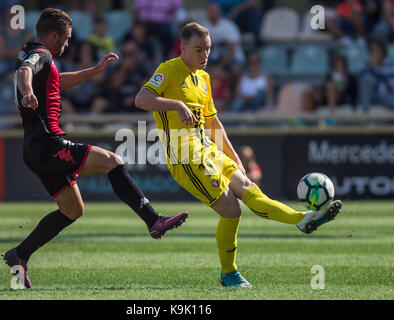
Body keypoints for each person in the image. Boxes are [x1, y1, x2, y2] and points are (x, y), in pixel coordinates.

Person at [135, 22, 343, 288]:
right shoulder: (168, 69)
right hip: (184, 155)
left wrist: (235, 159)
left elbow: (214, 124)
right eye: (198, 49)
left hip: (208, 149)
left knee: (248, 187)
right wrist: (175, 104)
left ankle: (302, 220)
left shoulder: (204, 78)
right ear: (183, 47)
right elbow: (141, 99)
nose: (205, 55)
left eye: (208, 49)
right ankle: (229, 273)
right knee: (232, 210)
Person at [4, 8, 188, 289]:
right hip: (48, 143)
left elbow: (55, 81)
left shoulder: (34, 53)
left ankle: (20, 254)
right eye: (65, 40)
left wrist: (95, 70)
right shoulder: (40, 55)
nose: (66, 45)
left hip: (33, 147)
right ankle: (153, 220)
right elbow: (24, 72)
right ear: (53, 36)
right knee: (112, 160)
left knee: (72, 210)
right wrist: (27, 91)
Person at [358, 38, 394, 111]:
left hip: (385, 94)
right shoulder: (365, 65)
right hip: (371, 95)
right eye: (372, 50)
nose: (375, 53)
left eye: (377, 50)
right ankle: (365, 114)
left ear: (382, 51)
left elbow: (390, 83)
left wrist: (375, 68)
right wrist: (371, 66)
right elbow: (361, 81)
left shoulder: (389, 65)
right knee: (366, 78)